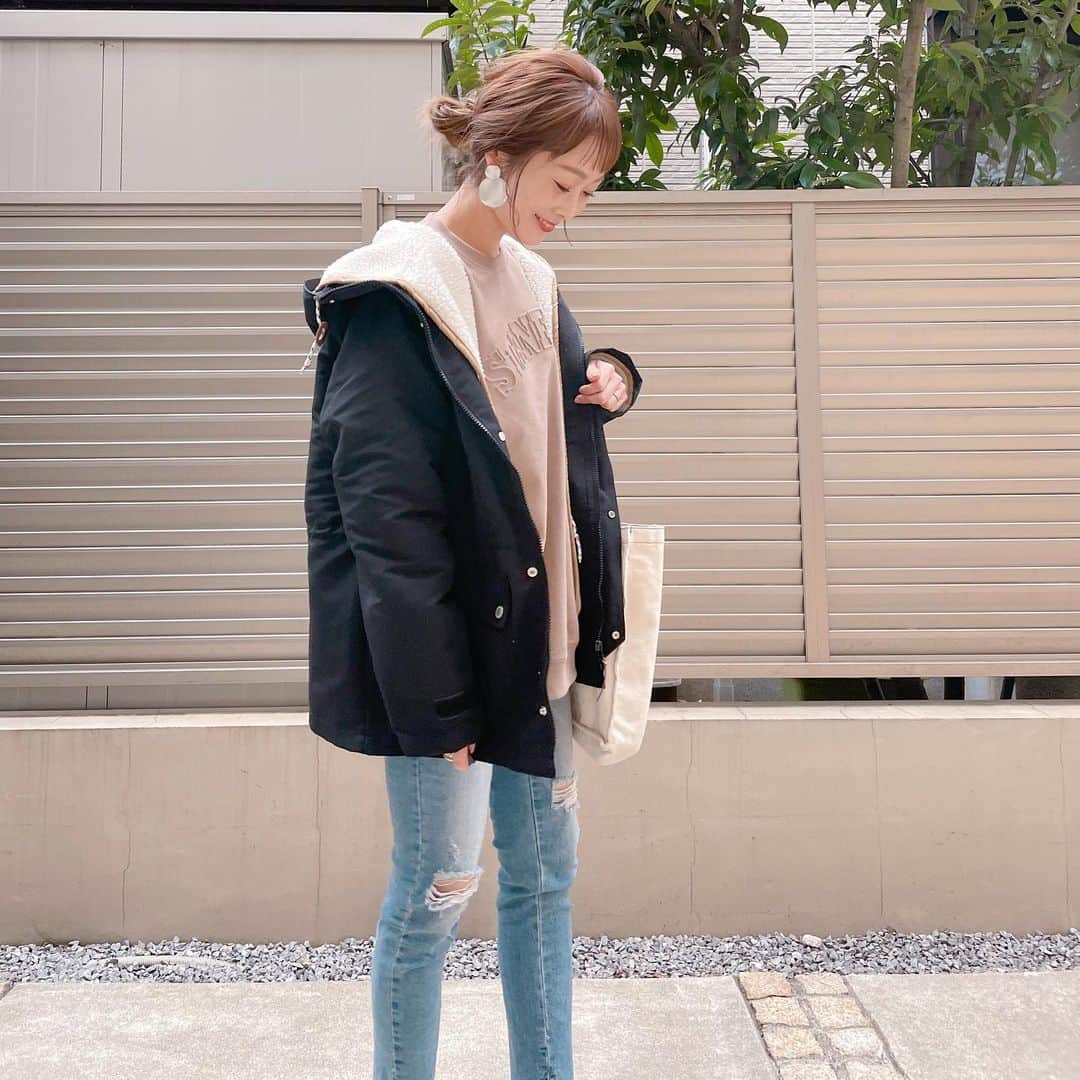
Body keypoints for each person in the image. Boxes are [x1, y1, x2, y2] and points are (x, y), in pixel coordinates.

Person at [301, 44, 642, 1080]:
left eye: (588, 191)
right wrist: (434, 706)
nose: (571, 209)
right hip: (444, 663)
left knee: (543, 884)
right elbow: (386, 523)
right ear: (498, 155)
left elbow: (552, 413)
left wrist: (616, 375)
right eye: (561, 183)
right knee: (436, 893)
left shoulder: (533, 277)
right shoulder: (396, 293)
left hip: (538, 646)